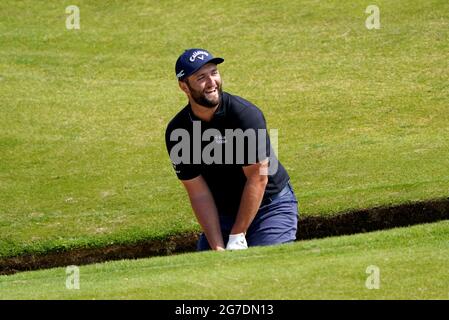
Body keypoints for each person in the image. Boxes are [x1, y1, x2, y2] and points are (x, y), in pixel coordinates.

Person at [165, 48, 298, 251]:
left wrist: (237, 236)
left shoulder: (245, 115)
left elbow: (258, 177)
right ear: (184, 86)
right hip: (224, 214)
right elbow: (198, 192)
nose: (212, 82)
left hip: (270, 206)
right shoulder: (178, 131)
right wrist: (217, 246)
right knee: (211, 270)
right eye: (201, 77)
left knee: (264, 265)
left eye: (214, 73)